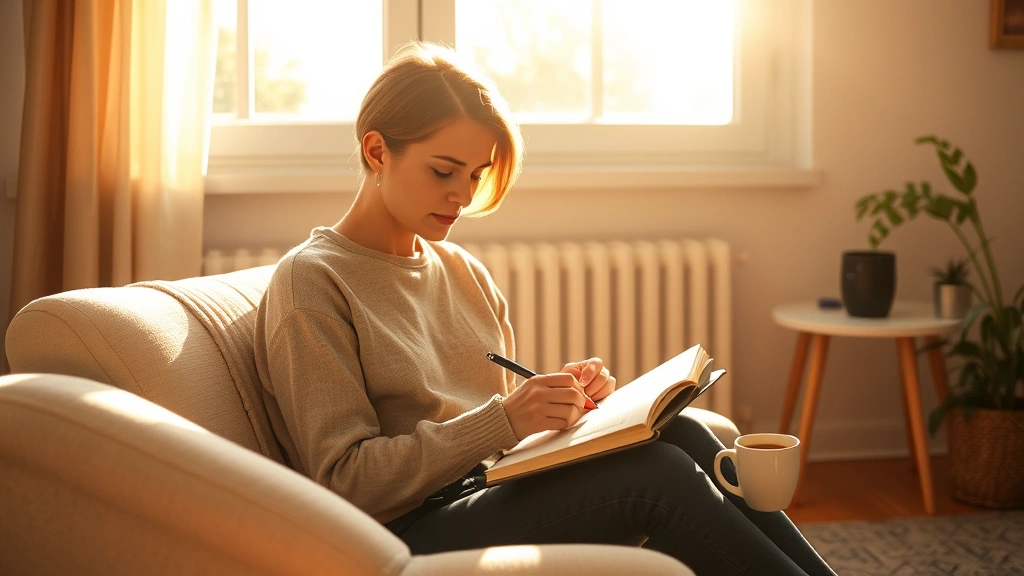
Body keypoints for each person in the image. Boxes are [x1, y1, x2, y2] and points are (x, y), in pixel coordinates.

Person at [254, 42, 836, 576]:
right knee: (656, 480)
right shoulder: (313, 283)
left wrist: (570, 410)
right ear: (377, 150)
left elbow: (496, 434)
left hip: (483, 490)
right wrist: (505, 419)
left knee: (679, 430)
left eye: (477, 175)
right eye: (442, 171)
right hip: (406, 530)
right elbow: (345, 481)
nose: (463, 195)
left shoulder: (461, 271)